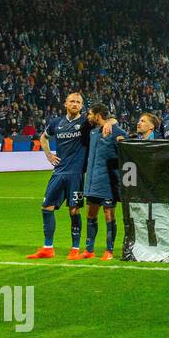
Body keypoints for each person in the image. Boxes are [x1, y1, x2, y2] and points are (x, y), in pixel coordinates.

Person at [29, 91, 91, 260]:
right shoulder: (57, 122)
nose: (75, 104)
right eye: (72, 101)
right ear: (65, 103)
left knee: (74, 210)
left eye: (78, 102)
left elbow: (105, 120)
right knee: (46, 208)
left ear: (82, 106)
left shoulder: (86, 122)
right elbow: (43, 138)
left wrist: (110, 123)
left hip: (76, 174)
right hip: (59, 172)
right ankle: (48, 248)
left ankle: (75, 249)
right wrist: (48, 154)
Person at [81, 104, 127, 261]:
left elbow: (126, 151)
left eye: (90, 114)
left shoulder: (117, 132)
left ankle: (109, 250)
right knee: (90, 215)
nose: (88, 116)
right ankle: (89, 250)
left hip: (108, 182)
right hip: (92, 182)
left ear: (98, 115)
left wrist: (112, 123)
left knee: (109, 215)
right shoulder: (93, 132)